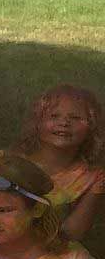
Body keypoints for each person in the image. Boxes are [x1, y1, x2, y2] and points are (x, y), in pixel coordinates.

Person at [13, 84, 105, 240]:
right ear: (37, 123)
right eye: (54, 116)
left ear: (92, 127)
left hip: (57, 250)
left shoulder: (93, 177)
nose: (64, 123)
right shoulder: (12, 163)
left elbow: (73, 233)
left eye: (75, 118)